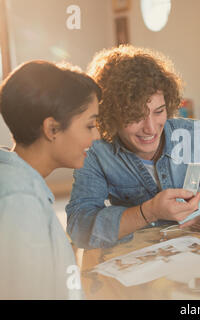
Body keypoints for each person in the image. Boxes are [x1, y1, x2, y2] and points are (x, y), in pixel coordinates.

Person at [66, 45, 200, 249]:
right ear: (110, 114)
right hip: (142, 267)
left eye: (158, 111)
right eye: (135, 117)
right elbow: (79, 228)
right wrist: (148, 212)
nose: (150, 128)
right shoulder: (97, 152)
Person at [0, 60, 102, 299]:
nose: (96, 136)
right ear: (52, 129)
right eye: (90, 125)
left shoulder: (18, 181)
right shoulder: (20, 200)